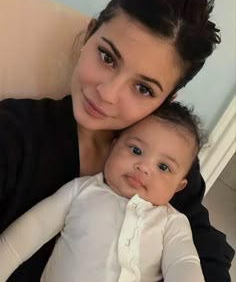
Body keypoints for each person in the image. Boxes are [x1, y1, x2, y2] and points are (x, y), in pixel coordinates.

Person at [0, 0, 234, 281]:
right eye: (107, 57)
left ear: (167, 100)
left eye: (143, 88)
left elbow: (204, 244)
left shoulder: (167, 152)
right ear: (89, 36)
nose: (107, 94)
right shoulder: (14, 134)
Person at [0, 102, 206, 282]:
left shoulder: (171, 222)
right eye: (136, 150)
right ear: (113, 147)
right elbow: (27, 235)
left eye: (163, 167)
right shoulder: (81, 191)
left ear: (179, 186)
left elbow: (183, 264)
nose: (144, 167)